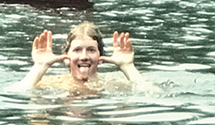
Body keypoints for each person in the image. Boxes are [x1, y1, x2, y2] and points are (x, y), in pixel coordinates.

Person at [14, 22, 151, 92]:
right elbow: (17, 93)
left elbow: (150, 93)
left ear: (100, 57)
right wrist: (39, 67)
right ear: (66, 58)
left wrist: (127, 67)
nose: (84, 56)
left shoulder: (111, 85)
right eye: (77, 50)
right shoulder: (53, 84)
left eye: (91, 50)